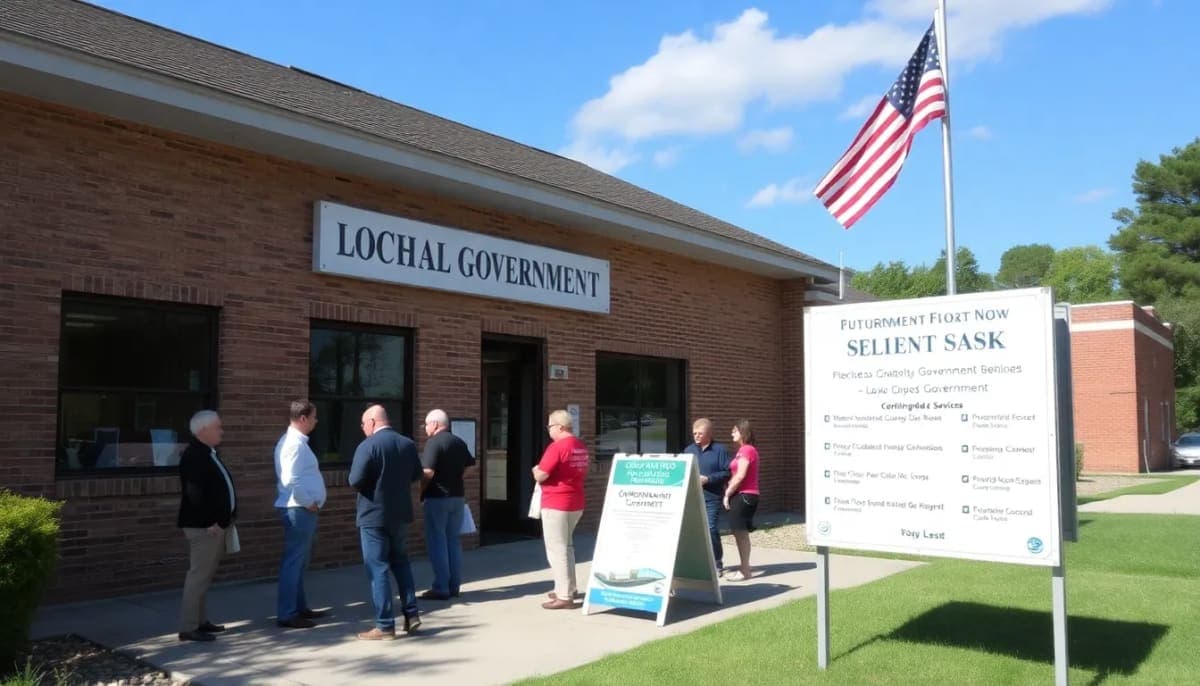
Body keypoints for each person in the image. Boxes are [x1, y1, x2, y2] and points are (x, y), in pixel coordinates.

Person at [349, 404, 424, 640]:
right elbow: (416, 474)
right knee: (401, 562)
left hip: (373, 516)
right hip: (400, 514)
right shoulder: (407, 444)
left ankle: (384, 625)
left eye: (363, 424)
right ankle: (411, 614)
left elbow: (355, 479)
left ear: (372, 422)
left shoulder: (368, 446)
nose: (362, 429)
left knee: (377, 568)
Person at [176, 410, 236, 642]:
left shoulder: (207, 453)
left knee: (204, 575)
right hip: (204, 527)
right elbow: (194, 494)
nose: (221, 431)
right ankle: (189, 626)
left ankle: (200, 621)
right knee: (198, 576)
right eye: (217, 427)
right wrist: (211, 522)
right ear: (203, 430)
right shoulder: (195, 456)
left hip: (213, 526)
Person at [273, 400, 329, 629]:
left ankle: (299, 607)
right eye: (314, 417)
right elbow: (290, 479)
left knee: (299, 562)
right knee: (294, 562)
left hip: (300, 509)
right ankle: (287, 613)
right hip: (299, 509)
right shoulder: (293, 444)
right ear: (303, 418)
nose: (316, 421)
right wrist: (309, 502)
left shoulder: (296, 443)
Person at [533, 409, 589, 609]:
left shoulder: (557, 447)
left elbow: (541, 475)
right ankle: (568, 587)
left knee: (557, 549)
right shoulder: (580, 446)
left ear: (560, 426)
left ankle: (564, 596)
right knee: (567, 546)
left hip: (556, 503)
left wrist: (535, 471)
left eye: (550, 426)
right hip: (575, 502)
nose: (548, 430)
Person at [419, 409, 475, 601]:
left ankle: (441, 587)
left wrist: (421, 490)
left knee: (437, 542)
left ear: (435, 424)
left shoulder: (434, 443)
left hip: (437, 498)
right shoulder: (458, 441)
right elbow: (472, 465)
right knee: (453, 541)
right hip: (458, 498)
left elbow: (427, 472)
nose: (425, 428)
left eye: (426, 424)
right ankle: (454, 586)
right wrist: (458, 477)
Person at [683, 418, 732, 575]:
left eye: (700, 433)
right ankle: (698, 563)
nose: (696, 436)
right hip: (693, 497)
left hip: (712, 497)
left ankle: (717, 561)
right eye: (694, 433)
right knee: (693, 531)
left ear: (709, 433)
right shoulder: (688, 450)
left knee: (710, 529)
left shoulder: (720, 450)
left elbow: (727, 472)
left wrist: (709, 479)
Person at [723, 419, 760, 582]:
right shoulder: (742, 450)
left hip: (745, 495)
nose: (732, 433)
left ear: (743, 432)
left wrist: (727, 493)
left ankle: (745, 570)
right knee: (740, 533)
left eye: (735, 431)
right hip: (742, 495)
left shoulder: (747, 450)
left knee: (741, 534)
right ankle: (745, 568)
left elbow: (740, 475)